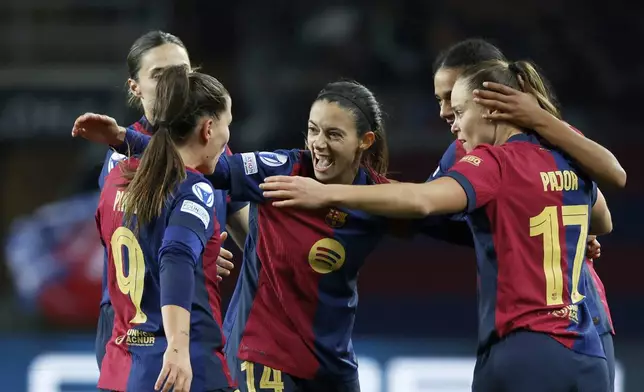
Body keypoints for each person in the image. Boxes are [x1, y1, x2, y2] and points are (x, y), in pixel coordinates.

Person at [73, 79, 472, 392]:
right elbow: (199, 162)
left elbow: (444, 220)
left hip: (332, 366)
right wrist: (128, 139)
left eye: (334, 135)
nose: (317, 144)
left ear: (364, 142)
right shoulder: (280, 170)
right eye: (313, 130)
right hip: (261, 353)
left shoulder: (378, 201)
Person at [260, 60, 614, 392]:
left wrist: (326, 193)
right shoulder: (568, 151)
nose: (454, 124)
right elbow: (602, 218)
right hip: (588, 351)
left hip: (526, 349)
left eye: (459, 112)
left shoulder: (494, 161)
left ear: (490, 108)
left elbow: (422, 201)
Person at [430, 38, 618, 391]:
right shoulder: (483, 146)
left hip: (567, 316)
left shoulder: (511, 146)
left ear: (488, 94)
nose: (443, 111)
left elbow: (608, 198)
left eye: (449, 96)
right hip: (581, 327)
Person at [84, 30, 247, 371]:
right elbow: (131, 240)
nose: (175, 84)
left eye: (183, 73)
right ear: (135, 88)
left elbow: (251, 235)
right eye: (159, 76)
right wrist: (194, 253)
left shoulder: (214, 151)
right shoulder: (123, 159)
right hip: (138, 332)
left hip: (200, 322)